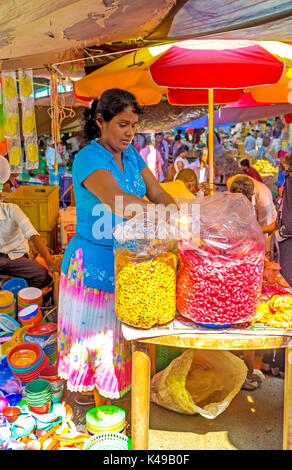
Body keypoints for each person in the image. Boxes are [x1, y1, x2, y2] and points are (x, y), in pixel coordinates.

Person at [58, 89, 177, 406]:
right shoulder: (87, 158)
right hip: (93, 264)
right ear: (100, 121)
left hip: (128, 262)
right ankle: (97, 418)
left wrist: (177, 212)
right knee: (99, 346)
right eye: (123, 124)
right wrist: (159, 216)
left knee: (124, 346)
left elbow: (158, 192)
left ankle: (119, 411)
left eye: (134, 125)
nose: (130, 132)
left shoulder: (132, 156)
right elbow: (117, 201)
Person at [0, 156, 59, 288]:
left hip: (16, 257)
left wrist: (49, 262)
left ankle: (14, 286)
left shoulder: (11, 209)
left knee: (44, 277)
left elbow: (32, 234)